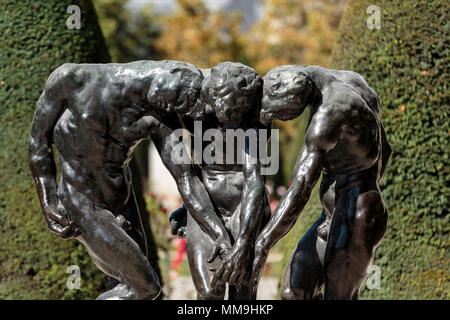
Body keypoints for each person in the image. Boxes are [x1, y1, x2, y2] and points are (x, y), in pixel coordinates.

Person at [28, 60, 214, 299]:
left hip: (123, 201)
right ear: (164, 88)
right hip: (81, 200)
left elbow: (185, 176)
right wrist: (48, 198)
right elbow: (38, 141)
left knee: (125, 284)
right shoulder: (71, 79)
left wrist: (203, 218)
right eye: (181, 106)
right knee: (144, 288)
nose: (181, 114)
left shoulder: (158, 113)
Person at [251, 65, 391, 300]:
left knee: (338, 296)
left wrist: (262, 244)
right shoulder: (352, 82)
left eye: (283, 115)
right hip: (336, 211)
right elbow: (384, 149)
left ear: (296, 99)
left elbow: (301, 186)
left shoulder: (328, 114)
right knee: (293, 291)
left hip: (358, 211)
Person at [180, 62, 271, 300]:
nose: (229, 119)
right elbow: (186, 174)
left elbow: (254, 180)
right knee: (209, 291)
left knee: (242, 292)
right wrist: (188, 204)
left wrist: (244, 242)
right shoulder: (193, 112)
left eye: (236, 112)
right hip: (207, 205)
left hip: (244, 206)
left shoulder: (256, 118)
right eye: (224, 112)